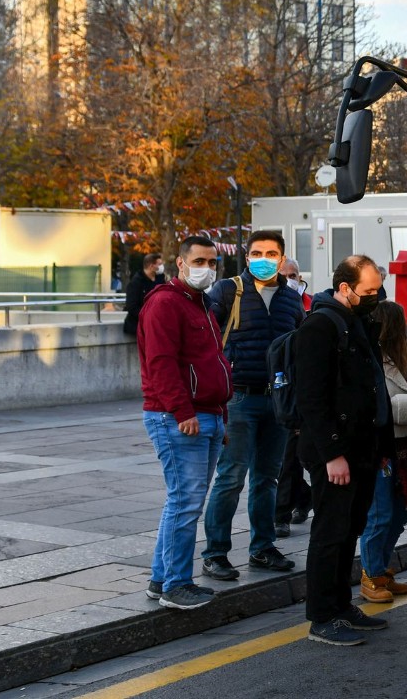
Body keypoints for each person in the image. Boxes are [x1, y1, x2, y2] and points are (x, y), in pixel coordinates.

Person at [296, 255, 392, 646]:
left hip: (363, 446)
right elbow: (312, 399)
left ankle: (341, 606)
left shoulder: (358, 321)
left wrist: (381, 445)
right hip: (334, 452)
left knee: (351, 528)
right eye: (368, 291)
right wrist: (332, 453)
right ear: (344, 288)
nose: (375, 297)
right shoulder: (319, 326)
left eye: (377, 290)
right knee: (330, 531)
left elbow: (371, 387)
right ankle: (322, 616)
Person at [200, 231, 305, 581]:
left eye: (271, 253)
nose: (264, 258)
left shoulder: (292, 300)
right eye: (257, 252)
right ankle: (215, 553)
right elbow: (202, 338)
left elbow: (299, 349)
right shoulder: (228, 291)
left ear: (282, 257)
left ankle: (263, 547)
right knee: (231, 478)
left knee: (267, 479)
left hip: (277, 400)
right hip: (239, 399)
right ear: (246, 257)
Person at [137, 236, 231, 611]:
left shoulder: (201, 304)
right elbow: (160, 364)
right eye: (199, 260)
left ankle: (161, 579)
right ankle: (176, 584)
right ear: (180, 262)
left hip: (206, 414)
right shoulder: (165, 303)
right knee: (185, 503)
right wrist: (183, 413)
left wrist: (218, 416)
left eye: (211, 261)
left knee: (183, 501)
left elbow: (214, 362)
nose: (206, 267)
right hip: (178, 416)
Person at [358, 300, 407, 603]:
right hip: (380, 447)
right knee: (380, 514)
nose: (405, 330)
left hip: (404, 445)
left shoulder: (403, 360)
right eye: (401, 324)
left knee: (401, 512)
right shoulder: (369, 360)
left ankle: (381, 568)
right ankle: (370, 575)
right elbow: (366, 408)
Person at [273, 259, 312, 538]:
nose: (291, 280)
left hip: (293, 391)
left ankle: (281, 515)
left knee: (289, 458)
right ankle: (304, 497)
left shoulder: (309, 305)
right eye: (285, 275)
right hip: (269, 388)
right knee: (278, 461)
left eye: (294, 275)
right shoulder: (269, 305)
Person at [123, 253, 165, 335]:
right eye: (159, 264)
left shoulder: (160, 280)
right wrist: (150, 316)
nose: (161, 267)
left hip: (156, 325)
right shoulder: (136, 283)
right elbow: (132, 307)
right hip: (139, 326)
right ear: (151, 266)